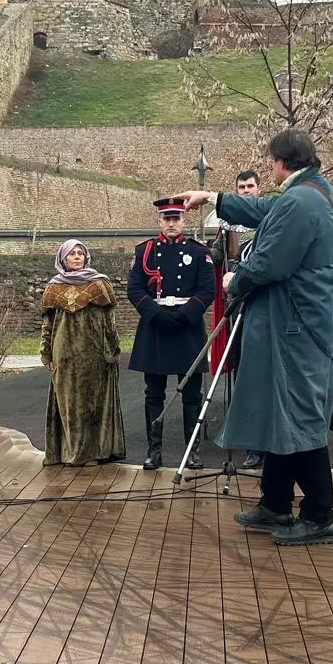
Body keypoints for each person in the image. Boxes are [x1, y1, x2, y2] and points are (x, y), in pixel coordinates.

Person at [172, 128, 333, 546]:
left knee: (298, 413)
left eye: (271, 161)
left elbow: (270, 263)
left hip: (295, 325)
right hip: (290, 322)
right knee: (278, 411)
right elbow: (265, 209)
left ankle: (319, 515)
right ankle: (276, 502)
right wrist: (213, 197)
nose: (269, 167)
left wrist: (236, 279)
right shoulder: (308, 193)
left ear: (281, 161)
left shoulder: (301, 200)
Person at [126, 197, 215, 471]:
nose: (172, 223)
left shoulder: (199, 252)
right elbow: (135, 289)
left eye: (176, 218)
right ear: (159, 221)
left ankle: (192, 452)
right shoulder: (145, 251)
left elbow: (207, 290)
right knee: (153, 393)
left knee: (192, 394)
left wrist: (185, 314)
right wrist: (156, 313)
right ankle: (154, 452)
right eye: (167, 218)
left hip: (187, 327)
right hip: (156, 326)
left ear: (183, 221)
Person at [40, 239, 126, 466]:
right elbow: (48, 325)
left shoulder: (99, 284)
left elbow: (110, 322)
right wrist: (46, 352)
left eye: (80, 253)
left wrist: (112, 349)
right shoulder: (54, 287)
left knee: (92, 402)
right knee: (68, 403)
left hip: (94, 351)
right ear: (63, 259)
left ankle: (92, 452)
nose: (77, 257)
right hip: (64, 352)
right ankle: (64, 451)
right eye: (72, 254)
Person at [208, 170, 263, 470]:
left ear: (258, 189)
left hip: (265, 308)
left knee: (263, 377)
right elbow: (216, 258)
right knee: (242, 377)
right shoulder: (228, 223)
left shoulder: (269, 218)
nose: (245, 190)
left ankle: (265, 442)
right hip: (238, 308)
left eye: (250, 186)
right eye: (241, 187)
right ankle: (248, 440)